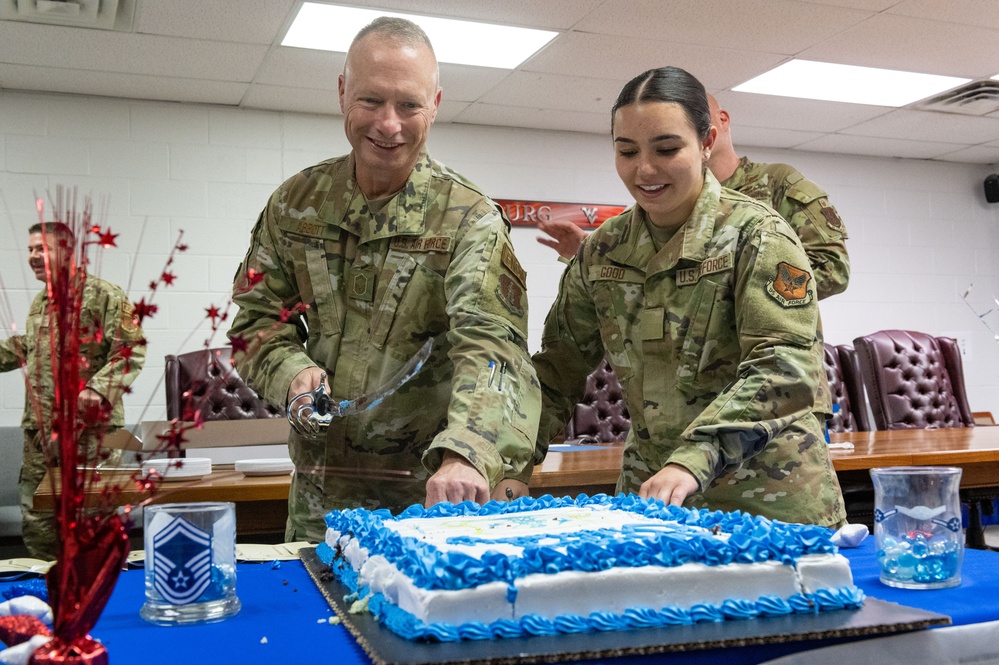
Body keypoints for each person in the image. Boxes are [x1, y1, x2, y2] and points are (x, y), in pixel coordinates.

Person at [228, 17, 540, 542]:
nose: (389, 124)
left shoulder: (468, 218)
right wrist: (292, 374)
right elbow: (256, 323)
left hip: (432, 497)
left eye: (409, 105)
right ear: (343, 92)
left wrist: (469, 450)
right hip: (319, 499)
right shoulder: (295, 205)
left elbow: (491, 351)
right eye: (371, 101)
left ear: (436, 104)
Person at [532, 66, 845, 527]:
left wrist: (694, 458)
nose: (644, 169)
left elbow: (784, 368)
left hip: (768, 502)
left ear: (707, 141)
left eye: (666, 148)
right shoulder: (601, 251)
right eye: (626, 151)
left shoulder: (758, 234)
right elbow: (557, 368)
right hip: (657, 500)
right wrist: (500, 458)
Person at [536, 97, 850, 302]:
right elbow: (655, 275)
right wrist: (590, 255)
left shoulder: (777, 183)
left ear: (719, 124)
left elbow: (833, 268)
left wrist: (740, 288)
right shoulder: (666, 200)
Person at [0, 222, 145, 560]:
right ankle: (51, 604)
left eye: (42, 249)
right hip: (41, 438)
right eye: (31, 250)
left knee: (93, 529)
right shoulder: (42, 302)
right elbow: (30, 348)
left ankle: (100, 604)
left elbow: (131, 348)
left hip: (88, 436)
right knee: (40, 529)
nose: (33, 257)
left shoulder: (103, 294)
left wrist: (100, 387)